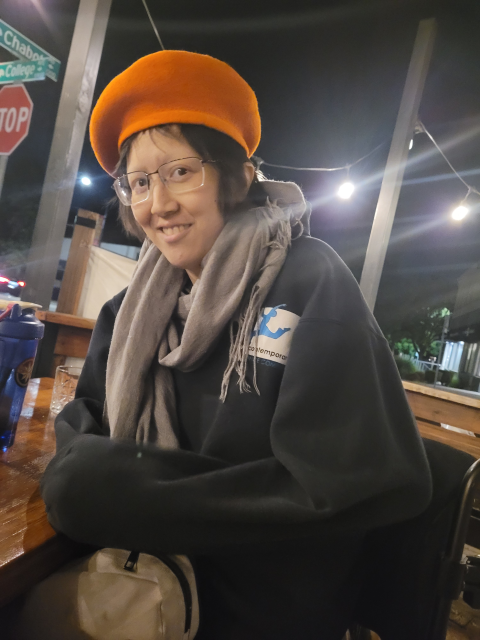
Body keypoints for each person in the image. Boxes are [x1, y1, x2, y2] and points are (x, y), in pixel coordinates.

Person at [39, 50, 432, 639]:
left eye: (180, 172)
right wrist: (101, 482)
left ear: (239, 176)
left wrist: (127, 492)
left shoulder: (307, 281)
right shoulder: (126, 311)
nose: (158, 204)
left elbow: (350, 481)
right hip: (138, 574)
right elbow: (84, 425)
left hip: (261, 606)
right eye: (138, 182)